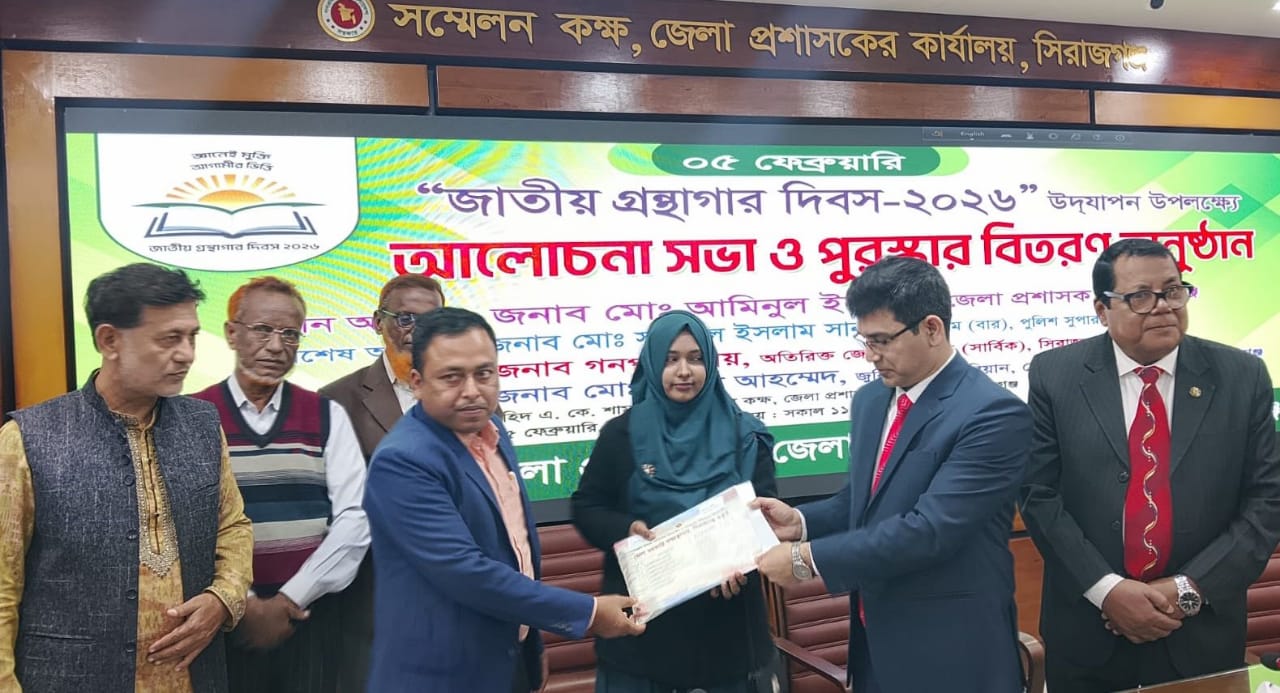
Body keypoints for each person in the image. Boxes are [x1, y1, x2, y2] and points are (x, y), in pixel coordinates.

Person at [753, 256, 1033, 693]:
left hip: (954, 651)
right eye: (865, 340)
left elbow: (930, 530)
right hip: (875, 644)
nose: (871, 356)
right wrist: (801, 522)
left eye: (882, 340)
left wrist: (806, 560)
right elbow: (866, 500)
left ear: (932, 329)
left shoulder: (992, 413)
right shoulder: (871, 400)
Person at [1020, 238, 1280, 691]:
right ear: (1102, 310)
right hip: (1089, 632)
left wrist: (1187, 590)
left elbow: (1267, 499)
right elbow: (1038, 495)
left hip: (1200, 633)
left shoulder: (1242, 376)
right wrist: (1107, 590)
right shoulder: (1055, 375)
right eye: (1140, 296)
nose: (1163, 307)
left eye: (1173, 291)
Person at [0, 262, 254, 692]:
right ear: (109, 340)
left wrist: (224, 599)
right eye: (169, 338)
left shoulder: (203, 425)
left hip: (191, 678)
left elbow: (233, 526)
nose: (187, 354)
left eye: (192, 336)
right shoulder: (28, 439)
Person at [363, 307, 644, 692]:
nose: (472, 391)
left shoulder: (492, 429)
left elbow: (516, 547)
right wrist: (590, 613)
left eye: (484, 373)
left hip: (508, 658)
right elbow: (467, 572)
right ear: (417, 382)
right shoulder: (403, 461)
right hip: (441, 674)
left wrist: (529, 646)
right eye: (451, 377)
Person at [571, 310, 780, 693]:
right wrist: (625, 529)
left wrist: (741, 561)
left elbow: (765, 516)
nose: (684, 371)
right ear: (652, 364)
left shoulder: (747, 437)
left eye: (695, 358)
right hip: (641, 639)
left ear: (711, 364)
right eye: (671, 359)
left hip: (728, 633)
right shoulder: (621, 434)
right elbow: (587, 507)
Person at [192, 277, 370, 693]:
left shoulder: (326, 415)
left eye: (290, 334)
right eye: (263, 330)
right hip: (222, 621)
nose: (276, 346)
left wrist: (289, 600)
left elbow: (355, 518)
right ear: (231, 333)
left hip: (309, 621)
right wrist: (245, 603)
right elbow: (186, 525)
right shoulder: (194, 416)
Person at [318, 273, 443, 692]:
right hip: (373, 608)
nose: (417, 331)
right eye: (405, 318)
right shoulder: (336, 401)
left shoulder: (469, 395)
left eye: (431, 320)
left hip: (459, 605)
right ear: (377, 321)